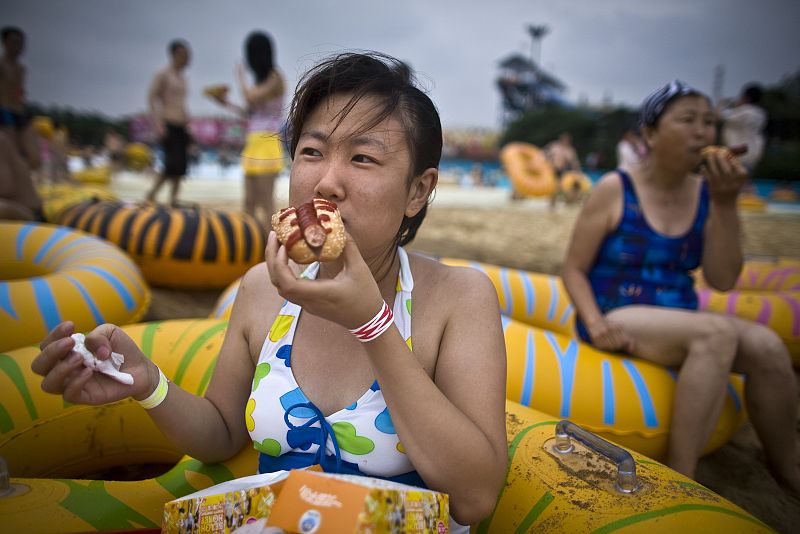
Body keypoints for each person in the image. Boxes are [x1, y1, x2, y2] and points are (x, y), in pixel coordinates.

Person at [31, 52, 508, 529]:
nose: (326, 182)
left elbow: (474, 497)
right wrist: (147, 383)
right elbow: (220, 432)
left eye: (362, 158)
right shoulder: (264, 287)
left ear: (418, 192)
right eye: (312, 152)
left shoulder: (458, 297)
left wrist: (371, 323)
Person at [561, 80, 800, 496]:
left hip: (679, 316)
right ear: (650, 133)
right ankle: (683, 478)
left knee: (768, 346)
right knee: (718, 332)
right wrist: (595, 321)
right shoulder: (617, 188)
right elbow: (573, 268)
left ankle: (786, 466)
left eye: (709, 122)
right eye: (687, 120)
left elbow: (723, 279)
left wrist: (726, 204)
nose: (702, 132)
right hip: (617, 310)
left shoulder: (709, 194)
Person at [209, 31, 286, 228]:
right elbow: (249, 112)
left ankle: (271, 251)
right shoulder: (260, 82)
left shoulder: (275, 77)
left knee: (266, 204)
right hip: (253, 141)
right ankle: (250, 249)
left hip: (268, 142)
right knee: (249, 203)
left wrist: (240, 76)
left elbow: (250, 98)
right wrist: (224, 103)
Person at [145, 40, 192, 207]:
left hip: (181, 125)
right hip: (168, 123)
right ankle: (151, 194)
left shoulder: (183, 78)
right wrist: (158, 123)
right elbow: (152, 98)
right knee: (171, 165)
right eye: (183, 55)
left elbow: (181, 103)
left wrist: (188, 124)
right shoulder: (163, 74)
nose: (187, 59)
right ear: (174, 55)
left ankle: (173, 198)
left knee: (181, 166)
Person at [0, 26, 39, 170]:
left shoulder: (22, 69)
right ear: (5, 43)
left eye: (21, 43)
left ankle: (19, 181)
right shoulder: (2, 65)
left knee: (35, 157)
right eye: (14, 42)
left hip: (20, 112)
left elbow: (19, 92)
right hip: (4, 112)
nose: (18, 47)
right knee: (10, 153)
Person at [717, 83, 767, 173]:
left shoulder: (744, 112)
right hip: (752, 157)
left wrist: (722, 103)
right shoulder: (761, 113)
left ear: (746, 97)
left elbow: (719, 116)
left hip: (737, 156)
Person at [544, 132, 582, 208]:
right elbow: (545, 154)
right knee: (555, 186)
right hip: (552, 168)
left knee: (558, 187)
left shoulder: (569, 150)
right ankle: (553, 203)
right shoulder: (554, 146)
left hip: (561, 169)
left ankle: (555, 202)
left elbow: (574, 162)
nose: (566, 141)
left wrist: (577, 171)